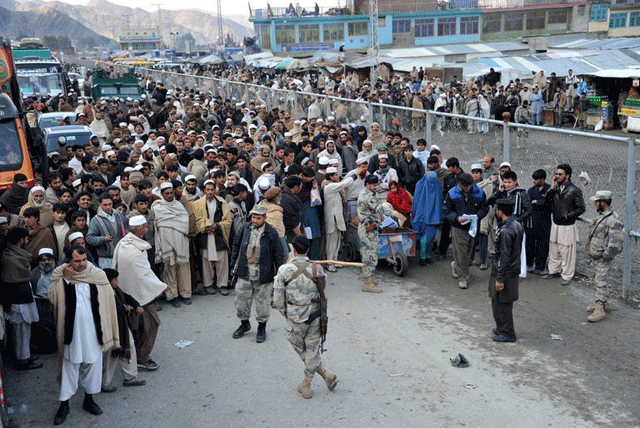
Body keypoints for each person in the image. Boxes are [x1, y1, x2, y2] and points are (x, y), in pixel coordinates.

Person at [48, 246, 119, 426]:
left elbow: (108, 299)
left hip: (94, 329)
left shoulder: (97, 274)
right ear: (69, 261)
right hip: (71, 330)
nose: (81, 264)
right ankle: (64, 404)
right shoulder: (60, 274)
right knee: (69, 366)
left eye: (84, 260)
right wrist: (66, 279)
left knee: (93, 364)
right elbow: (52, 298)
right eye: (77, 261)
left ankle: (89, 399)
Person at [273, 236, 337, 399]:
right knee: (312, 349)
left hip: (295, 317)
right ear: (308, 250)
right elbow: (323, 289)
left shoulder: (284, 270)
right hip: (315, 316)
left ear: (293, 250)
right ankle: (325, 374)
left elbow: (278, 300)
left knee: (300, 347)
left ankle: (307, 385)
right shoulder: (318, 269)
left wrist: (286, 314)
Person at [112, 215, 166, 372]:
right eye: (145, 226)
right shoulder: (132, 250)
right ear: (140, 229)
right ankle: (142, 357)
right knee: (151, 324)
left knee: (138, 327)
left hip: (131, 294)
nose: (147, 228)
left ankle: (136, 356)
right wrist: (162, 286)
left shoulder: (124, 243)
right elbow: (142, 274)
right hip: (140, 295)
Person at [230, 205, 284, 343]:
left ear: (265, 218)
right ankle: (244, 324)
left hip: (263, 274)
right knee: (241, 301)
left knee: (263, 303)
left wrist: (280, 275)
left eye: (258, 218)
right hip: (245, 271)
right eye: (253, 217)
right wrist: (233, 265)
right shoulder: (245, 229)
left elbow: (278, 254)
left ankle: (261, 327)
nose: (255, 221)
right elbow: (236, 246)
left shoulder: (271, 232)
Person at [1, 227, 43, 370]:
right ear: (20, 240)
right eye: (25, 238)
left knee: (24, 332)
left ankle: (25, 356)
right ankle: (22, 360)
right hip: (17, 301)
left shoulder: (14, 254)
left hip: (22, 297)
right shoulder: (11, 259)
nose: (27, 241)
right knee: (21, 333)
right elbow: (11, 282)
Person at [100, 268, 147, 392]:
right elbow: (107, 310)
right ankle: (105, 383)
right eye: (115, 280)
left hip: (122, 327)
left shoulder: (116, 290)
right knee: (112, 356)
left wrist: (136, 305)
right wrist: (122, 308)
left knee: (129, 347)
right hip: (111, 329)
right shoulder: (103, 293)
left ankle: (130, 377)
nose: (117, 282)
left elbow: (126, 297)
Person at [357, 175, 404, 293]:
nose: (376, 187)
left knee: (372, 253)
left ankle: (370, 278)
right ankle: (367, 283)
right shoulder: (367, 196)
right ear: (367, 184)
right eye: (374, 185)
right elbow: (379, 208)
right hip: (368, 229)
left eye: (377, 185)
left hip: (371, 228)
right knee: (369, 255)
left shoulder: (369, 194)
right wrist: (395, 213)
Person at [443, 173, 489, 289]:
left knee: (468, 250)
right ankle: (463, 278)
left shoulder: (479, 192)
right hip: (458, 226)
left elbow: (485, 208)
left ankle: (457, 265)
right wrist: (457, 218)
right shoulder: (452, 193)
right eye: (464, 186)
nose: (467, 188)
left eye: (469, 185)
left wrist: (478, 216)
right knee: (461, 251)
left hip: (473, 225)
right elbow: (446, 210)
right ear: (460, 184)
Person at [584, 191, 624, 322]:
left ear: (603, 203)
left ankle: (600, 308)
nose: (595, 204)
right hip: (598, 254)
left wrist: (605, 255)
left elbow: (615, 243)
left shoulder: (613, 220)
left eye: (597, 202)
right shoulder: (603, 216)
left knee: (600, 281)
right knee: (598, 279)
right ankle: (603, 303)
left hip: (603, 256)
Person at [543, 164, 585, 286]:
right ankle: (554, 270)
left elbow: (581, 208)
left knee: (567, 251)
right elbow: (547, 202)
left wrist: (568, 215)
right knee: (554, 248)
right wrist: (552, 187)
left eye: (560, 174)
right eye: (556, 174)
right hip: (555, 223)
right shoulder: (555, 188)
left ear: (568, 175)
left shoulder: (574, 190)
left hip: (567, 225)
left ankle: (567, 275)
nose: (557, 176)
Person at [151, 182, 191, 307]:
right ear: (162, 194)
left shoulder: (178, 205)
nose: (169, 195)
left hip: (180, 241)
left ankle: (185, 294)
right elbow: (156, 225)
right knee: (169, 269)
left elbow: (185, 223)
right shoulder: (156, 207)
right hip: (166, 241)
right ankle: (172, 296)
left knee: (183, 268)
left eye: (171, 193)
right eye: (166, 193)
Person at [489, 199, 524, 343]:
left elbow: (504, 257)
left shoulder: (506, 231)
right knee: (501, 302)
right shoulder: (516, 225)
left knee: (501, 303)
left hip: (504, 272)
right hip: (511, 270)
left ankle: (507, 332)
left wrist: (500, 279)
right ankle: (502, 327)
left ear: (500, 212)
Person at [192, 180, 233, 295]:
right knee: (206, 263)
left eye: (211, 189)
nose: (209, 192)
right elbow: (195, 221)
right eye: (207, 190)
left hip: (219, 235)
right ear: (204, 190)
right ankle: (208, 284)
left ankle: (222, 284)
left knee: (222, 262)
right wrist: (204, 227)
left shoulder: (222, 202)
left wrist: (217, 226)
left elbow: (228, 220)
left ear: (215, 190)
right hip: (205, 237)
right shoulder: (197, 204)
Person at [323, 167, 355, 271]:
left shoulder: (334, 187)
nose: (338, 176)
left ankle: (335, 261)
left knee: (337, 241)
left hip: (337, 219)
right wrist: (355, 175)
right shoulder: (330, 186)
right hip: (332, 219)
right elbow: (343, 184)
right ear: (331, 177)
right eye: (336, 175)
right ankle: (330, 263)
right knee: (331, 243)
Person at [86, 194, 127, 269]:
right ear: (100, 204)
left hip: (121, 255)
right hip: (106, 258)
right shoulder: (95, 220)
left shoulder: (119, 216)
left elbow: (126, 231)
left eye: (110, 204)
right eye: (105, 205)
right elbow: (89, 238)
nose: (108, 207)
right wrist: (103, 239)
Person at [411, 171, 442, 265]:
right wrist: (414, 212)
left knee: (430, 237)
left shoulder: (437, 185)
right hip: (422, 215)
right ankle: (423, 256)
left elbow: (440, 201)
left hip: (433, 216)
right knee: (424, 238)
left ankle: (427, 255)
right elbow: (416, 200)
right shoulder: (420, 185)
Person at [525, 169, 552, 275]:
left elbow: (550, 204)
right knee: (530, 245)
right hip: (532, 222)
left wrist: (538, 202)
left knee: (543, 246)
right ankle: (529, 264)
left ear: (543, 179)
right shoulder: (531, 190)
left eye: (536, 179)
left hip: (545, 222)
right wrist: (541, 203)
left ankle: (540, 267)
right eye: (534, 179)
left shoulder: (549, 190)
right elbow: (528, 204)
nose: (534, 181)